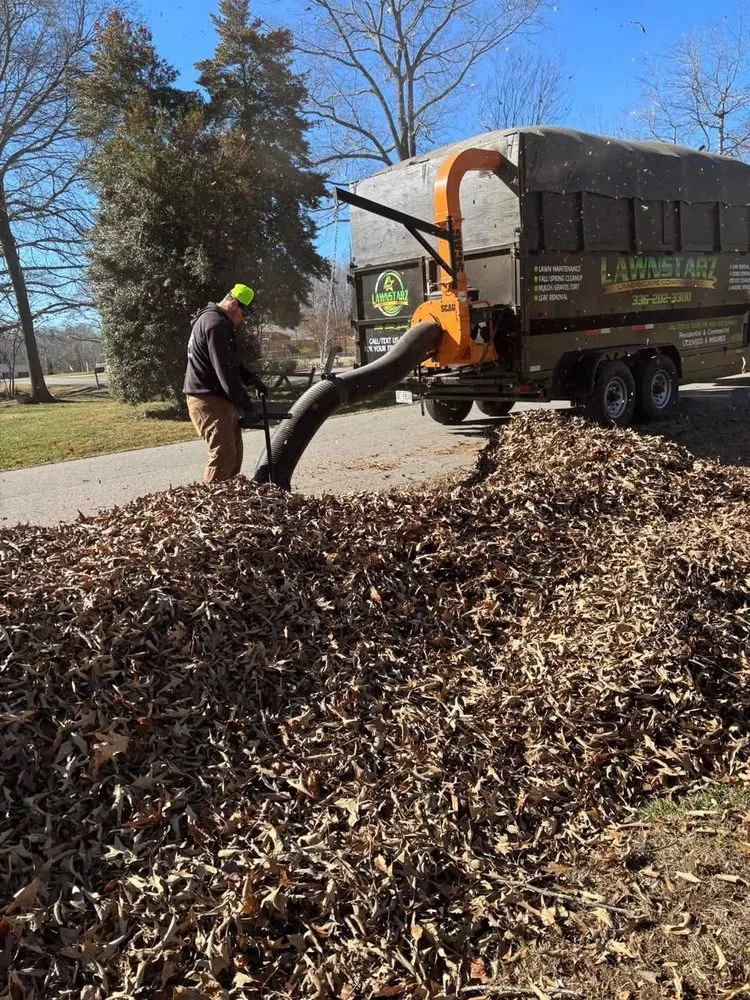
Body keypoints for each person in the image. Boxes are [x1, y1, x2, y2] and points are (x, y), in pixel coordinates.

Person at [183, 283, 268, 484]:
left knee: (234, 455)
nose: (244, 320)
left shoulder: (214, 322)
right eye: (244, 313)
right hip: (206, 399)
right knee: (223, 457)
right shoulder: (215, 325)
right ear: (232, 303)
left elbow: (230, 362)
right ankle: (209, 509)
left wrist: (251, 379)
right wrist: (246, 406)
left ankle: (228, 506)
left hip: (216, 398)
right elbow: (226, 373)